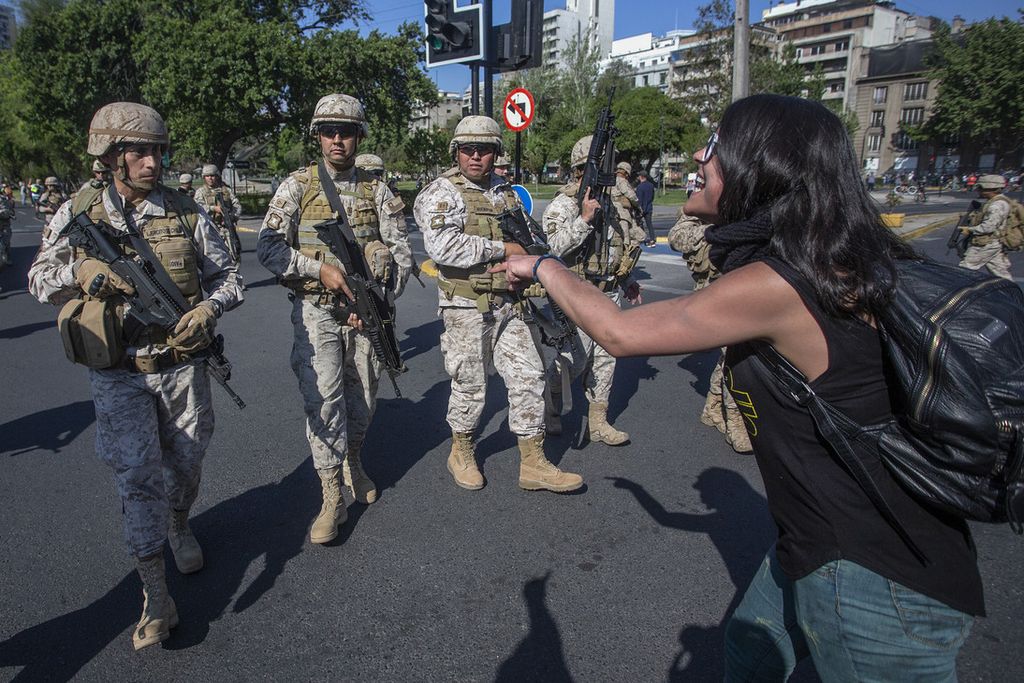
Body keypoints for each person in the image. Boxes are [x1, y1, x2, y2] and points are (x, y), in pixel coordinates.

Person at [497, 94, 983, 680]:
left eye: (718, 145)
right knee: (749, 657)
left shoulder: (782, 282)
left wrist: (543, 266)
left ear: (764, 165)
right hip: (820, 544)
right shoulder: (822, 259)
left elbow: (618, 334)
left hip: (873, 572)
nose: (700, 155)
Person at [27, 102, 243, 651]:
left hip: (182, 368)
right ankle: (155, 596)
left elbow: (229, 278)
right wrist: (79, 270)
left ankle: (179, 521)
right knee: (136, 477)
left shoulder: (186, 212)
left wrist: (210, 311)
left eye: (157, 151)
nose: (152, 161)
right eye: (139, 151)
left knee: (187, 464)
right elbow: (38, 276)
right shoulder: (78, 213)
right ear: (110, 157)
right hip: (119, 372)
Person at [257, 93, 413, 544]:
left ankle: (354, 462)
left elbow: (402, 258)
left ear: (358, 135)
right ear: (318, 136)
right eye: (329, 131)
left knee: (363, 397)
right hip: (316, 313)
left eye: (346, 131)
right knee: (324, 400)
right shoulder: (297, 186)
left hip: (365, 316)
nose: (338, 140)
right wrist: (317, 269)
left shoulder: (377, 190)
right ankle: (330, 495)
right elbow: (268, 247)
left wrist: (381, 289)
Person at [413, 115, 582, 493]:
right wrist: (502, 248)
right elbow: (443, 246)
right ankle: (462, 450)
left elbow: (533, 239)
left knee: (529, 376)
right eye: (468, 149)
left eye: (484, 149)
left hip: (510, 303)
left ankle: (534, 461)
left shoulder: (505, 192)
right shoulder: (441, 192)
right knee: (470, 385)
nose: (476, 156)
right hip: (467, 307)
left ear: (495, 153)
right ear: (455, 152)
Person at [541, 135, 642, 446]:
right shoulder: (565, 204)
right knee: (571, 362)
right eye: (596, 169)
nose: (605, 177)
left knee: (606, 360)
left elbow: (619, 247)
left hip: (608, 294)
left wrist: (626, 280)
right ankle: (551, 409)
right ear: (579, 171)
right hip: (577, 296)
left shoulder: (615, 205)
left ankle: (599, 421)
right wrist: (584, 219)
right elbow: (553, 248)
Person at [667, 208, 751, 453]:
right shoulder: (708, 199)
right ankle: (735, 419)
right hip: (718, 292)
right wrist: (720, 233)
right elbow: (677, 237)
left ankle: (714, 405)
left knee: (733, 353)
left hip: (750, 288)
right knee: (737, 354)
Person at [958, 173, 1014, 280]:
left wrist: (969, 230)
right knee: (1000, 273)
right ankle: (1011, 293)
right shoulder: (997, 202)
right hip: (994, 243)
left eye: (981, 188)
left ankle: (958, 294)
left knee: (965, 268)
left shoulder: (997, 205)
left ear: (991, 189)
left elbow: (988, 227)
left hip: (986, 243)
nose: (979, 191)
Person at [193, 164, 242, 263]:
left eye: (212, 176)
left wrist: (232, 216)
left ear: (217, 176)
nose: (210, 178)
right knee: (212, 258)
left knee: (234, 255)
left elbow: (237, 205)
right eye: (207, 176)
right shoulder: (201, 192)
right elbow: (197, 207)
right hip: (209, 228)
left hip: (226, 228)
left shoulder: (226, 191)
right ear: (204, 177)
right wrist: (213, 208)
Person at [635, 170, 657, 246]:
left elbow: (639, 199)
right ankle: (652, 239)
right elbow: (652, 197)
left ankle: (643, 238)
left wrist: (639, 208)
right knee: (649, 224)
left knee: (639, 223)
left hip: (641, 208)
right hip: (649, 207)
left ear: (641, 177)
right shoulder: (651, 185)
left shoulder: (639, 187)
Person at [0, 181, 15, 269]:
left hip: (3, 225)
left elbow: (6, 212)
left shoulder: (2, 200)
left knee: (5, 243)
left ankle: (8, 257)